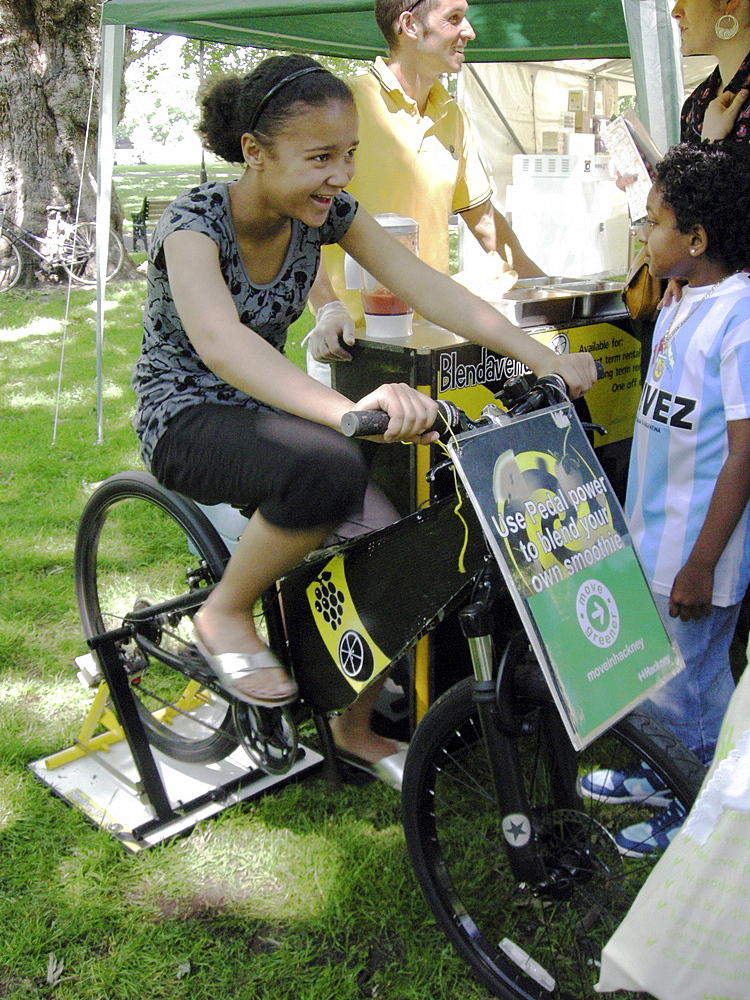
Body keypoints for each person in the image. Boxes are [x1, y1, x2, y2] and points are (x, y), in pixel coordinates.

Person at [131, 54, 597, 789]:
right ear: (255, 152)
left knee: (384, 543)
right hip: (182, 412)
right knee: (329, 468)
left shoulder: (327, 216)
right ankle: (224, 612)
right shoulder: (192, 224)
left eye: (349, 155)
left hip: (259, 408)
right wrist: (350, 412)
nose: (340, 176)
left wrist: (537, 352)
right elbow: (221, 345)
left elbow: (426, 286)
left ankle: (350, 731)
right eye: (320, 157)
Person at [580, 142, 750, 855]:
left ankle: (701, 814)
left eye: (653, 223)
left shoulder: (739, 319)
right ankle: (663, 773)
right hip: (656, 539)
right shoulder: (685, 296)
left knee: (695, 686)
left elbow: (745, 450)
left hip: (698, 553)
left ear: (699, 239)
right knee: (662, 674)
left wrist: (703, 564)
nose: (643, 235)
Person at [305, 0, 544, 372]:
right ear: (409, 26)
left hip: (430, 335)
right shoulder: (346, 105)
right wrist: (328, 309)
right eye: (453, 19)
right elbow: (298, 218)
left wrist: (542, 284)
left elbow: (482, 220)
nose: (470, 32)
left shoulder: (453, 115)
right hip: (350, 343)